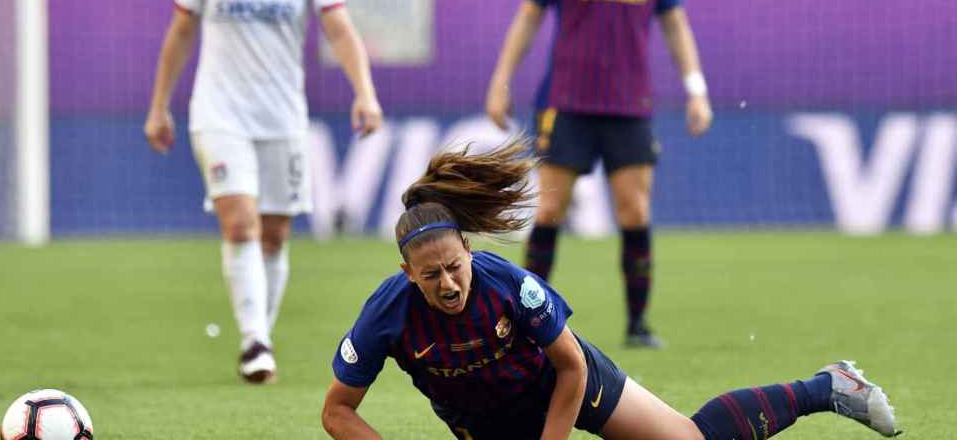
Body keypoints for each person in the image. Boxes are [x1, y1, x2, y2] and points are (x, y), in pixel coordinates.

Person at [320, 140, 900, 440]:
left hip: (563, 382)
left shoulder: (512, 288)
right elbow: (337, 411)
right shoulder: (385, 316)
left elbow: (569, 367)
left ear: (468, 251)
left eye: (453, 267)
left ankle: (829, 386)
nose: (447, 284)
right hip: (489, 421)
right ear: (405, 272)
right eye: (430, 275)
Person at [144, 0, 382, 384]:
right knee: (240, 223)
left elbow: (339, 31)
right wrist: (160, 104)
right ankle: (254, 340)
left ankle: (260, 337)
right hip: (219, 113)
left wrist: (364, 92)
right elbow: (180, 33)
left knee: (274, 235)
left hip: (282, 116)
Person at [484, 0, 713, 348]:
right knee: (549, 208)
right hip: (566, 103)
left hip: (629, 105)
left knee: (634, 210)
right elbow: (528, 18)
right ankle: (529, 323)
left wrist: (696, 87)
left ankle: (637, 324)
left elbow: (675, 25)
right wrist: (501, 79)